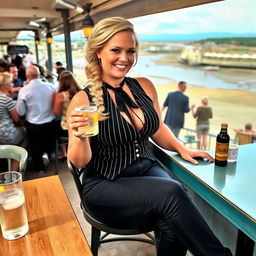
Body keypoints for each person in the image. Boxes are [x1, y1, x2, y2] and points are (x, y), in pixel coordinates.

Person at [67, 17, 232, 256]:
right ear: (98, 52)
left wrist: (180, 147)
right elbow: (79, 162)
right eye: (116, 50)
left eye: (130, 51)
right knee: (174, 193)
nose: (124, 58)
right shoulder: (83, 100)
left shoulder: (144, 86)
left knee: (174, 216)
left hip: (145, 169)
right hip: (105, 184)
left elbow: (157, 128)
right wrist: (79, 135)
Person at [16, 65, 56, 172]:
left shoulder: (24, 90)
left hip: (33, 124)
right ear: (39, 74)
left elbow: (21, 111)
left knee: (34, 146)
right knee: (48, 141)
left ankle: (39, 168)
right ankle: (46, 154)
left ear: (27, 76)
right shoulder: (51, 86)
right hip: (50, 122)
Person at [0, 72, 26, 171]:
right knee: (24, 133)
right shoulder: (6, 100)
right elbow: (16, 119)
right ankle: (13, 171)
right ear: (6, 85)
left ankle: (6, 158)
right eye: (11, 83)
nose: (12, 85)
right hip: (6, 135)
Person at [52, 70, 80, 160]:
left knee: (55, 125)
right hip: (80, 125)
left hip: (66, 127)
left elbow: (56, 113)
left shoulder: (60, 95)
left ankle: (64, 153)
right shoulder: (81, 92)